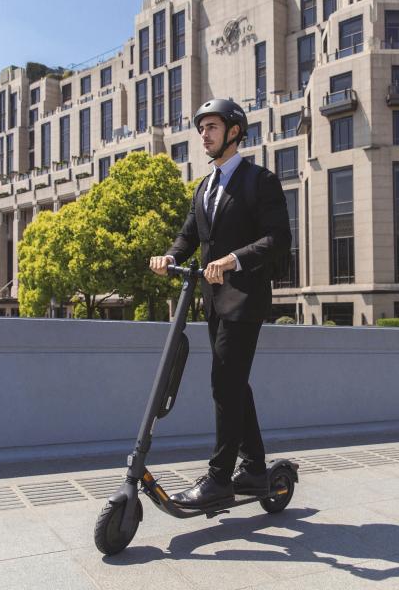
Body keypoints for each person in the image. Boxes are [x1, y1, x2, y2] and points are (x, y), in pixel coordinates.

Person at [149, 98, 291, 508]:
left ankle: (219, 479)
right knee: (233, 384)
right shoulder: (205, 186)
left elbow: (279, 237)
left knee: (224, 383)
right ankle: (256, 469)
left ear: (233, 131)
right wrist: (170, 257)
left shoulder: (258, 180)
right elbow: (189, 235)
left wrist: (234, 259)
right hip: (212, 302)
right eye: (200, 129)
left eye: (211, 127)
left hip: (245, 298)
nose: (203, 135)